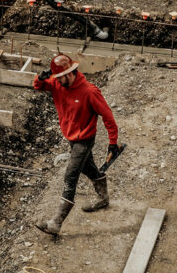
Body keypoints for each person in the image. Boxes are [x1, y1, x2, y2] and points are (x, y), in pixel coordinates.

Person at [33, 54, 120, 236]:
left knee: (70, 176)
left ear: (70, 73)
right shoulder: (58, 84)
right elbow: (39, 86)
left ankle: (56, 223)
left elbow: (108, 117)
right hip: (71, 138)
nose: (56, 81)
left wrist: (113, 142)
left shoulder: (89, 92)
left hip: (84, 140)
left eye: (59, 77)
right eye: (55, 78)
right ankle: (103, 198)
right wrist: (40, 78)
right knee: (88, 169)